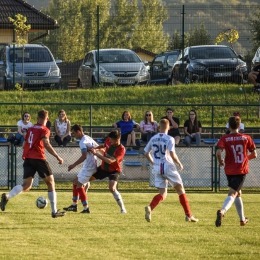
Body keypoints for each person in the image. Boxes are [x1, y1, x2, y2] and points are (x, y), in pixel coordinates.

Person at [0, 109, 66, 218]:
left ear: (37, 118)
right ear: (47, 119)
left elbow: (24, 144)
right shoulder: (45, 129)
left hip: (28, 158)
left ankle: (7, 196)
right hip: (39, 158)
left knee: (26, 185)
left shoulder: (30, 129)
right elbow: (46, 143)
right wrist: (57, 156)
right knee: (50, 183)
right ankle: (54, 211)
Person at [144, 119, 198, 223]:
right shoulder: (170, 139)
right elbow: (172, 154)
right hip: (168, 166)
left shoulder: (153, 138)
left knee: (162, 193)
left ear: (159, 127)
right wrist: (179, 163)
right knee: (181, 190)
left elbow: (146, 153)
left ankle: (150, 207)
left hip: (157, 168)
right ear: (169, 127)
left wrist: (153, 162)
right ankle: (188, 215)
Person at [215, 116, 257, 227]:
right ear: (239, 126)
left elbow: (218, 153)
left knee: (238, 193)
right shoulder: (246, 138)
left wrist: (220, 162)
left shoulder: (224, 139)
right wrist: (244, 158)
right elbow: (254, 154)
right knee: (233, 193)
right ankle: (222, 211)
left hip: (229, 169)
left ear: (228, 126)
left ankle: (242, 220)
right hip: (240, 169)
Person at [87, 130, 127, 213]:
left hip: (114, 170)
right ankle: (84, 201)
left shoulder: (121, 150)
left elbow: (109, 161)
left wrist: (96, 154)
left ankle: (123, 209)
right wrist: (95, 149)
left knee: (112, 188)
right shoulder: (109, 140)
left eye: (112, 140)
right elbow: (103, 145)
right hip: (103, 168)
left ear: (117, 139)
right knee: (86, 179)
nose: (110, 141)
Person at [63, 124, 98, 213]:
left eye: (74, 133)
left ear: (79, 132)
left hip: (89, 167)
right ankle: (74, 205)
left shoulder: (82, 142)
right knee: (75, 181)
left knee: (79, 186)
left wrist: (73, 165)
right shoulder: (88, 138)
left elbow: (84, 156)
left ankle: (86, 208)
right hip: (91, 165)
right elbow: (98, 147)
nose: (74, 135)